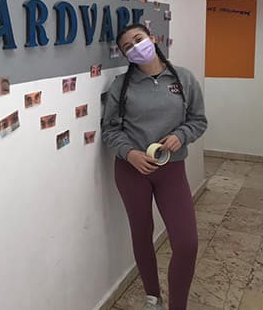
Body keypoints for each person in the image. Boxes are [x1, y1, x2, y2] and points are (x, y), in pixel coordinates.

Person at [101, 23, 207, 310]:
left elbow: (198, 120)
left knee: (186, 243)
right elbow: (110, 130)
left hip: (171, 170)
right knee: (142, 232)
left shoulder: (183, 78)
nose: (136, 47)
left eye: (139, 39)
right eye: (127, 47)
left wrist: (180, 135)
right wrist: (130, 153)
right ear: (125, 54)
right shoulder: (121, 86)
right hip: (131, 171)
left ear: (152, 39)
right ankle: (153, 297)